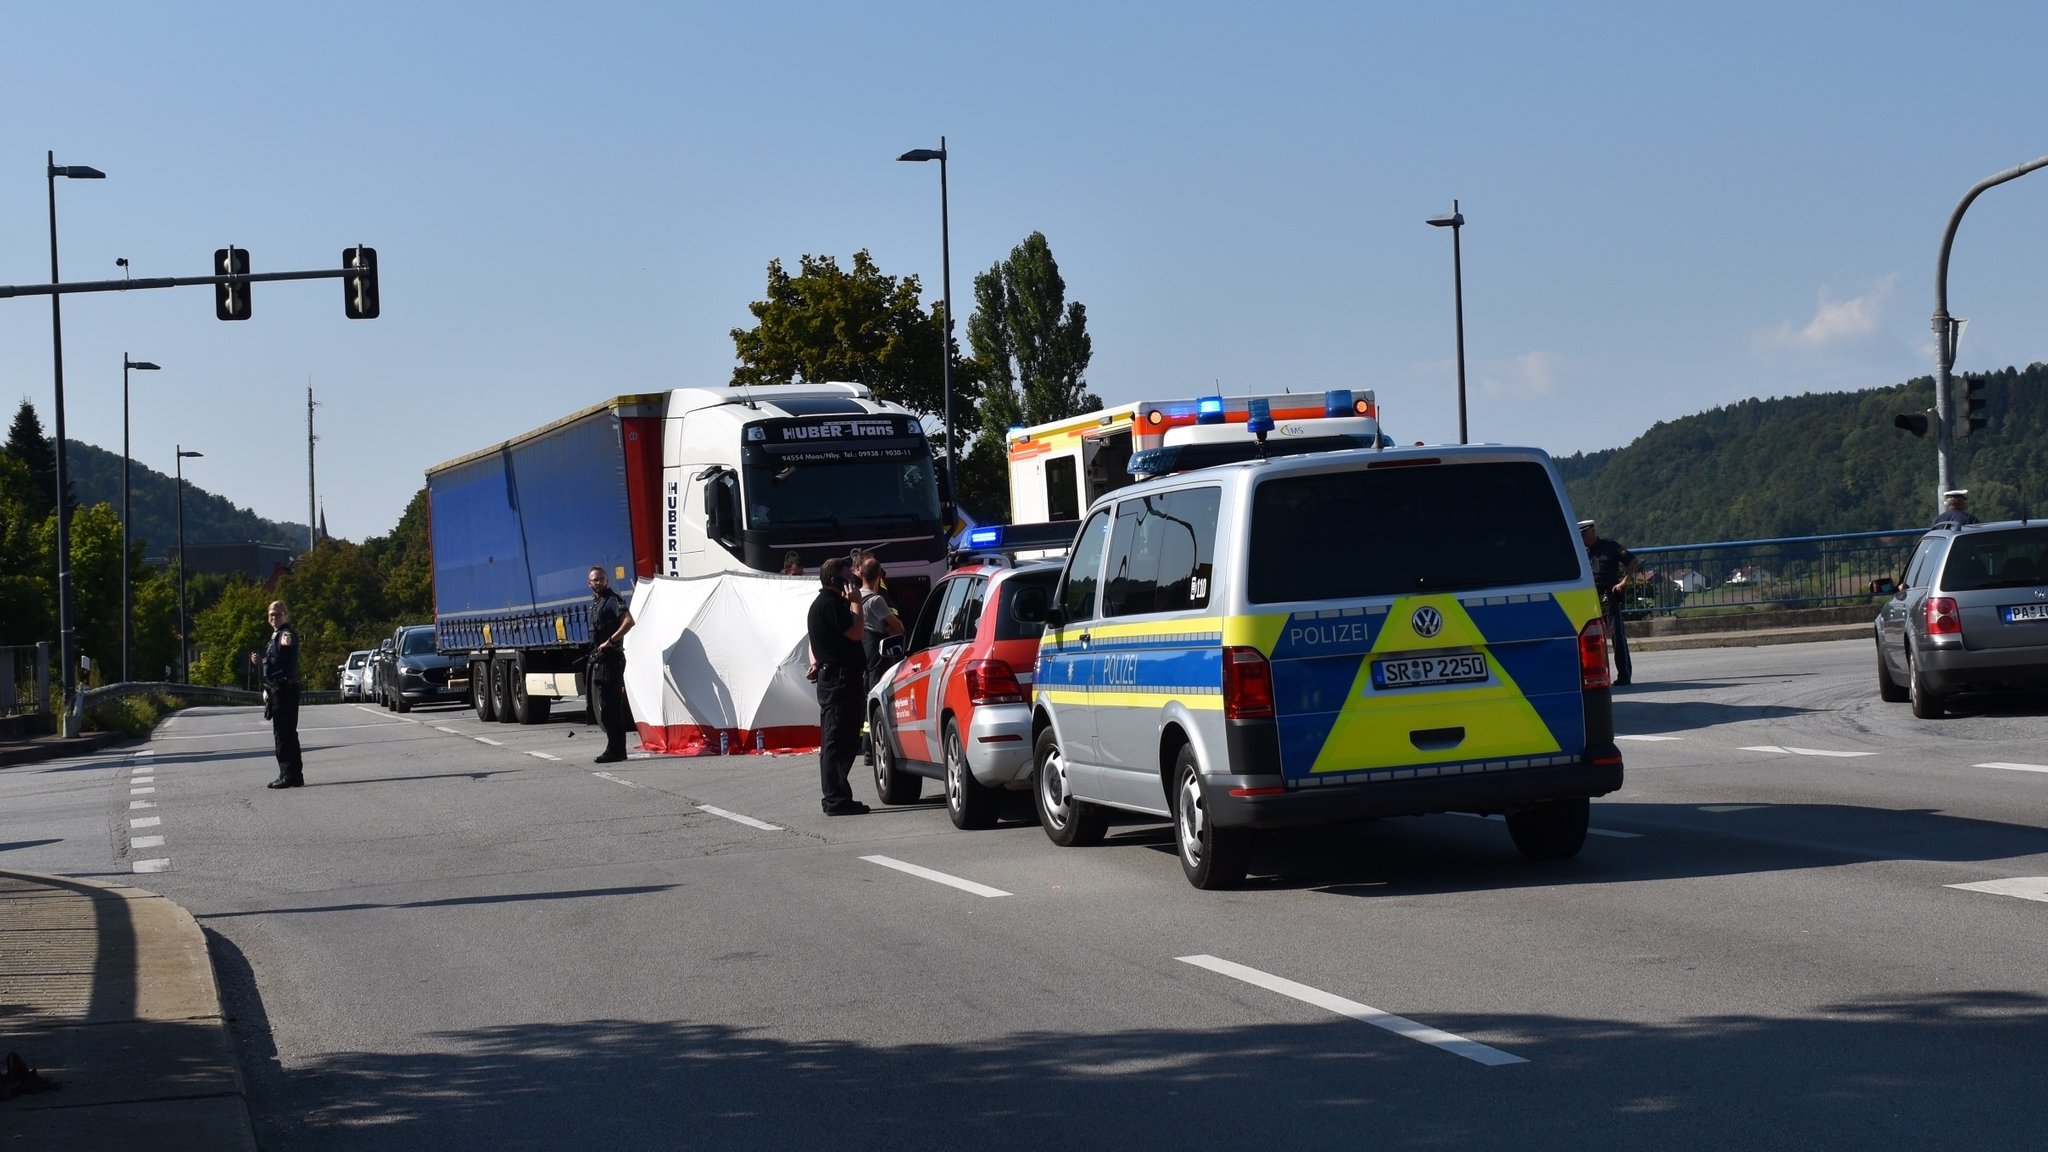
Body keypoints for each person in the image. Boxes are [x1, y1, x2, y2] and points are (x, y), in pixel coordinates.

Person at [807, 557, 869, 815]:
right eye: (848, 575)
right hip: (839, 681)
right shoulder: (830, 604)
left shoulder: (830, 604)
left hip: (840, 678)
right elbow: (856, 633)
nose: (853, 580)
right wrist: (856, 602)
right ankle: (835, 799)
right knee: (836, 739)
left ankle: (838, 794)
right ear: (836, 580)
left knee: (843, 739)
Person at [249, 600, 303, 788]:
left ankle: (288, 775)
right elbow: (275, 661)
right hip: (278, 689)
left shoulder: (285, 633)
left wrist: (285, 641)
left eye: (278, 614)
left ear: (285, 615)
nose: (274, 617)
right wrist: (261, 661)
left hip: (284, 689)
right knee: (287, 733)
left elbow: (286, 646)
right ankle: (293, 775)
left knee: (283, 734)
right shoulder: (274, 635)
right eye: (271, 614)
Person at [1580, 518, 1639, 686]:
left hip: (1608, 594)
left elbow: (1633, 561)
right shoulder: (1581, 552)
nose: (1584, 539)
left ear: (1593, 532)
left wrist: (1624, 582)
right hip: (1588, 596)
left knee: (1616, 635)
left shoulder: (1610, 546)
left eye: (1585, 535)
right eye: (1581, 536)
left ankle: (1624, 675)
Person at [587, 565, 636, 764]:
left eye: (601, 579)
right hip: (601, 660)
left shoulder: (613, 600)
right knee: (605, 707)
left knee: (611, 707)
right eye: (594, 580)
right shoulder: (597, 602)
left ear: (607, 580)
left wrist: (611, 641)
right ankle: (614, 747)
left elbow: (629, 621)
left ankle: (616, 750)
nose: (598, 582)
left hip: (612, 659)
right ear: (589, 583)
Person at [860, 557, 906, 685]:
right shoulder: (876, 600)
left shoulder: (855, 597)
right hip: (878, 658)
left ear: (861, 574)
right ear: (879, 575)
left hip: (863, 656)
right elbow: (899, 628)